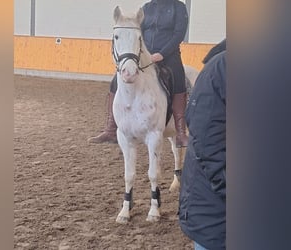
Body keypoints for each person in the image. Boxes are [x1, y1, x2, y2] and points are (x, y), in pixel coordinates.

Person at [88, 0, 189, 147]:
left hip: (169, 56)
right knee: (116, 80)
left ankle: (180, 133)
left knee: (178, 80)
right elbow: (137, 32)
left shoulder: (178, 7)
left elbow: (178, 34)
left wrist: (162, 54)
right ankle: (110, 129)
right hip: (144, 56)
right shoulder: (147, 8)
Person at [178, 40, 226, 250]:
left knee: (172, 74)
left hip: (167, 54)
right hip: (216, 214)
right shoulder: (222, 68)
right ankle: (111, 125)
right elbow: (211, 144)